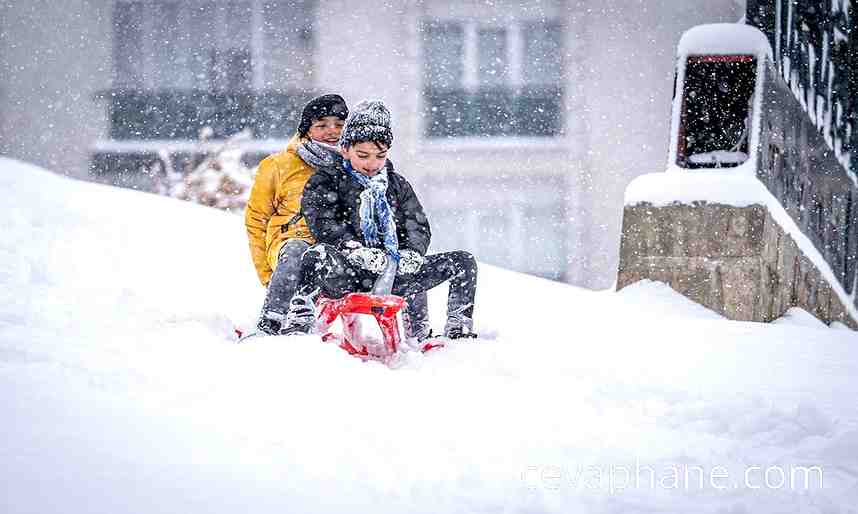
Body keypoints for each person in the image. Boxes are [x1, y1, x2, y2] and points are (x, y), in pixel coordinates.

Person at [281, 99, 478, 340]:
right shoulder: (326, 181)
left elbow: (417, 225)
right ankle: (298, 324)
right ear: (345, 149)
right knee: (316, 255)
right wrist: (353, 249)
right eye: (362, 155)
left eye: (379, 156)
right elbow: (323, 222)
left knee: (462, 261)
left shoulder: (397, 185)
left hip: (393, 272)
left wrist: (412, 253)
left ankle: (459, 329)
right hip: (348, 273)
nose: (371, 164)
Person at [244, 94, 429, 338]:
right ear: (306, 130)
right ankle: (272, 322)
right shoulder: (279, 166)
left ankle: (418, 334)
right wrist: (268, 275)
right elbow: (257, 220)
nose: (331, 131)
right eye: (321, 125)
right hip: (297, 241)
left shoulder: (359, 163)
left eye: (339, 125)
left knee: (402, 261)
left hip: (344, 247)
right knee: (298, 251)